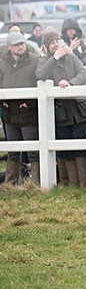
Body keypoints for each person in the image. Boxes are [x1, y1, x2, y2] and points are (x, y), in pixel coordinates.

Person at [37, 30, 86, 187]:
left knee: (79, 144)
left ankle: (83, 184)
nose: (55, 44)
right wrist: (54, 58)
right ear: (47, 46)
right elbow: (41, 75)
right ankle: (70, 183)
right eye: (52, 43)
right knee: (64, 147)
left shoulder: (71, 56)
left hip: (78, 109)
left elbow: (82, 72)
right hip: (61, 112)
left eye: (57, 41)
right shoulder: (45, 61)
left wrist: (71, 83)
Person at [0, 31, 40, 185]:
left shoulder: (35, 61)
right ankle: (10, 182)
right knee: (13, 150)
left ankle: (36, 182)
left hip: (28, 113)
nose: (21, 47)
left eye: (22, 43)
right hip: (9, 112)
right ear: (9, 47)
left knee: (33, 150)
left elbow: (40, 82)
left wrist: (29, 103)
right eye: (17, 44)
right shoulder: (3, 63)